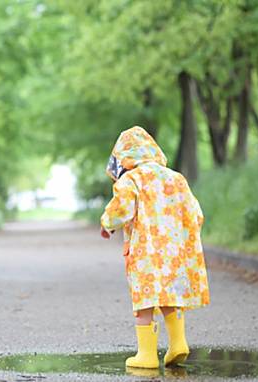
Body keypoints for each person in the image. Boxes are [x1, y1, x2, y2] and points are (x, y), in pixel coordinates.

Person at [100, 126, 210, 369]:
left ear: (124, 156)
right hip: (175, 252)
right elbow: (196, 212)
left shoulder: (131, 180)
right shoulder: (176, 178)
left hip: (146, 251)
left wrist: (107, 224)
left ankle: (147, 355)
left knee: (145, 299)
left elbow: (122, 210)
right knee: (170, 295)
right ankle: (178, 343)